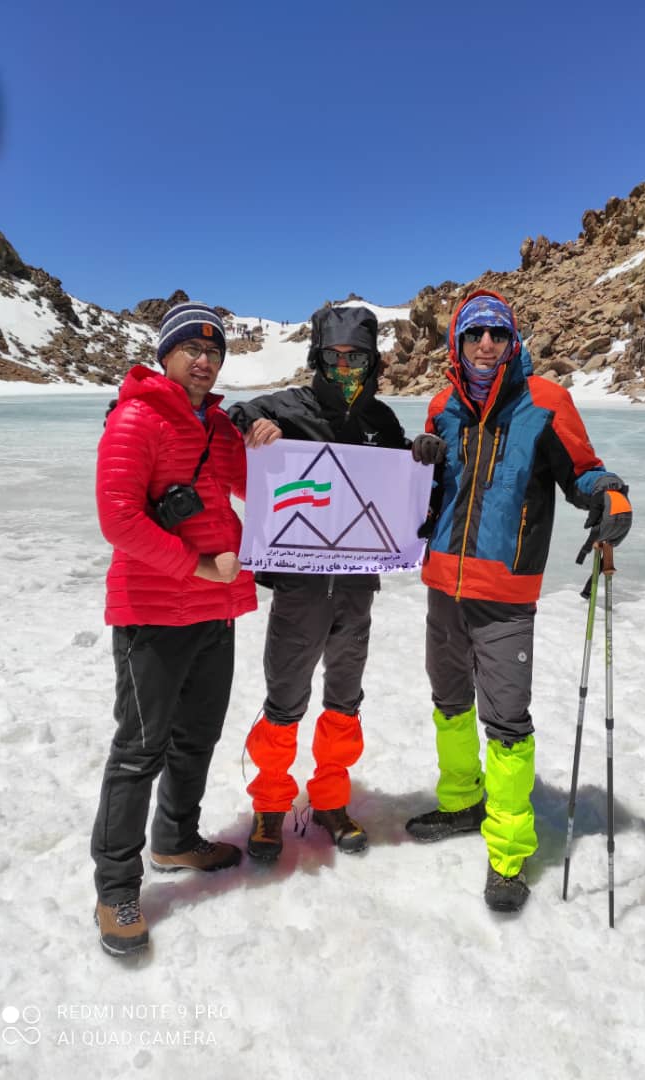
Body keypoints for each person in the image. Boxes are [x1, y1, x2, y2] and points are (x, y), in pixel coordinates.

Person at [405, 290, 632, 912]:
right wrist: (419, 458)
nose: (486, 345)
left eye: (497, 335)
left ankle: (507, 854)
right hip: (442, 584)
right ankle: (462, 802)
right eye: (474, 334)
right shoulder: (442, 406)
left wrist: (610, 493)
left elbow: (582, 472)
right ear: (457, 342)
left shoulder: (545, 401)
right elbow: (430, 493)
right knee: (450, 702)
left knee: (506, 721)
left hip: (505, 592)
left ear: (512, 342)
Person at [91, 301, 257, 957]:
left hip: (214, 611)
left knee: (197, 738)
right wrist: (198, 565)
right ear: (166, 355)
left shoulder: (217, 426)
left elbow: (258, 487)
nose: (204, 360)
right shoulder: (136, 418)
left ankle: (176, 839)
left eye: (214, 351)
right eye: (192, 348)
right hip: (152, 613)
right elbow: (119, 520)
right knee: (139, 752)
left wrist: (266, 440)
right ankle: (116, 891)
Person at [228, 304, 416, 860]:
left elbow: (405, 489)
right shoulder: (287, 407)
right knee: (285, 699)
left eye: (355, 356)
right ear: (318, 357)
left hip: (356, 589)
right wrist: (251, 425)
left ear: (372, 360)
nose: (344, 366)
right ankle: (270, 806)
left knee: (344, 701)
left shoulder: (382, 422)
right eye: (334, 356)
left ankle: (331, 800)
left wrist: (420, 456)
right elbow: (230, 416)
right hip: (299, 589)